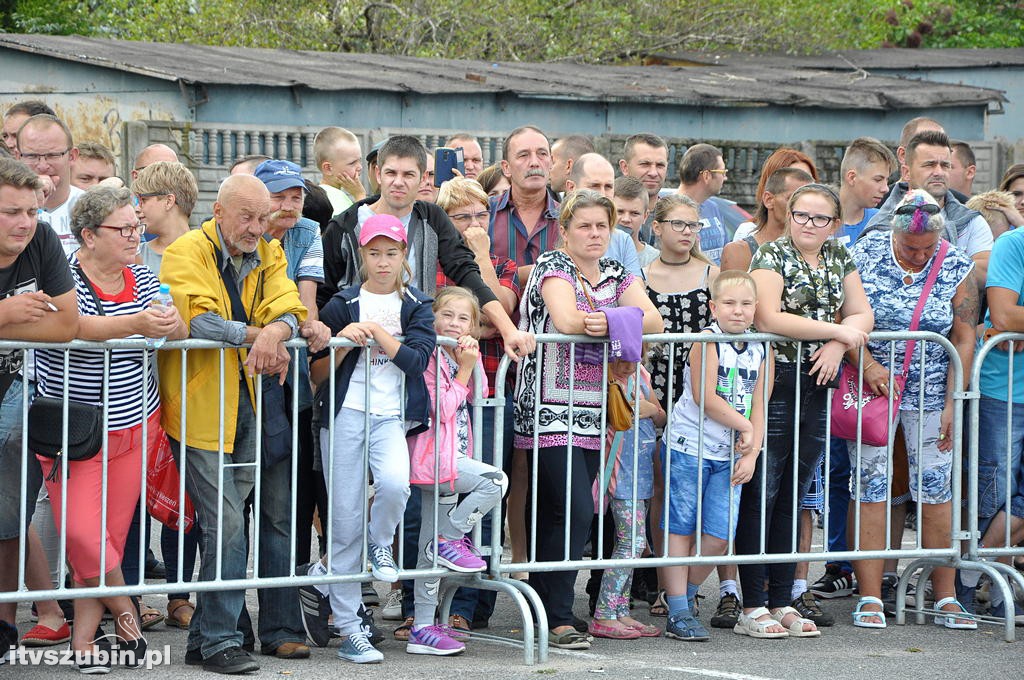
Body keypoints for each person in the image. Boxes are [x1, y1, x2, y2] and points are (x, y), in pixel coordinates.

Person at [158, 174, 310, 674]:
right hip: (202, 408)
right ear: (217, 211)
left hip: (249, 403)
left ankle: (205, 639)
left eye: (263, 217)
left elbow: (289, 304)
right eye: (246, 216)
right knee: (224, 524)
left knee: (229, 523)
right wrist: (259, 336)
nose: (257, 227)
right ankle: (222, 639)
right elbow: (197, 320)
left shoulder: (268, 251)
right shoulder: (185, 251)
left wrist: (278, 329)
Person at [34, 186, 186, 671]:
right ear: (88, 235)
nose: (134, 236)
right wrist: (136, 322)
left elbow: (177, 330)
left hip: (134, 426)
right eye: (123, 229)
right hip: (71, 435)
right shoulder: (63, 277)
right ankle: (126, 613)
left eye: (137, 226)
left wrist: (171, 323)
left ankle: (83, 644)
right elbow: (73, 327)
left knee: (108, 543)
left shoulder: (143, 276)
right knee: (83, 537)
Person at [513, 189, 662, 650]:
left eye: (603, 226)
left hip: (598, 411)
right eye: (585, 226)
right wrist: (617, 319)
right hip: (547, 407)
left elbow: (652, 319)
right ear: (566, 229)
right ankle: (558, 615)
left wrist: (606, 318)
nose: (595, 234)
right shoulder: (551, 267)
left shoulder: (617, 271)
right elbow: (564, 316)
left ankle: (543, 606)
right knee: (572, 508)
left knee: (563, 511)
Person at [741, 183, 873, 639]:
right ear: (788, 214)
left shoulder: (839, 256)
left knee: (792, 495)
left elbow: (863, 314)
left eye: (820, 218)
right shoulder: (771, 256)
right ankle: (751, 602)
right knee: (764, 490)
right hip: (775, 381)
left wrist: (838, 344)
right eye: (801, 215)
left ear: (835, 224)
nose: (809, 225)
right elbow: (769, 318)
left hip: (819, 380)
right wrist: (837, 329)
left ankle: (781, 598)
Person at [846, 189, 978, 629]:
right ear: (894, 237)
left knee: (937, 487)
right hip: (874, 387)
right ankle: (868, 596)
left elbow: (963, 336)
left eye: (927, 249)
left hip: (933, 388)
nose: (919, 257)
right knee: (872, 484)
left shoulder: (956, 262)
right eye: (909, 249)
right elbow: (846, 320)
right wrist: (868, 364)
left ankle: (944, 596)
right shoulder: (865, 254)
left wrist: (953, 400)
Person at [310, 213, 435, 664]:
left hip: (391, 417)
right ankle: (348, 626)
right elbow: (317, 373)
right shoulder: (342, 303)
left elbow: (418, 360)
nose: (383, 262)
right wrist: (341, 341)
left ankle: (378, 541)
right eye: (374, 253)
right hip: (344, 416)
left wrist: (379, 333)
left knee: (396, 484)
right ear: (360, 255)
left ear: (405, 255)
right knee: (342, 524)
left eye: (392, 253)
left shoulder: (418, 304)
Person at [319, 135, 532, 361]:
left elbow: (466, 272)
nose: (398, 182)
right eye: (391, 173)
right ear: (378, 174)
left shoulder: (432, 218)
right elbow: (323, 295)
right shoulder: (344, 226)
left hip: (415, 355)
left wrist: (508, 329)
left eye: (408, 174)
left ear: (423, 180)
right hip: (357, 355)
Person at [660, 271, 770, 641]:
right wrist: (747, 427)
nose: (737, 311)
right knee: (680, 528)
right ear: (713, 307)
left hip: (731, 455)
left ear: (756, 308)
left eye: (745, 304)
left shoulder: (761, 347)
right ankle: (678, 609)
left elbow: (760, 405)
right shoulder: (706, 343)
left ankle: (685, 594)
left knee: (719, 536)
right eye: (729, 303)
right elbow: (705, 396)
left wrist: (752, 451)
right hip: (690, 447)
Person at [434, 177, 519, 632]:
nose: (472, 224)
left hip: (486, 399)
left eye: (480, 216)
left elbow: (500, 307)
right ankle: (422, 602)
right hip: (436, 396)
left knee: (485, 491)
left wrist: (481, 256)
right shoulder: (432, 265)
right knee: (431, 491)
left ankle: (469, 604)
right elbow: (431, 319)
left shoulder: (500, 263)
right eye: (462, 217)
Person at [0, 157, 78, 658]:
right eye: (10, 212)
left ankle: (4, 624)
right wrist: (4, 313)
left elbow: (66, 324)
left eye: (31, 210)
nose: (25, 222)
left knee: (8, 515)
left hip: (11, 393)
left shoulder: (43, 241)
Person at [406, 287, 508, 655]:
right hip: (434, 457)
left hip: (454, 453)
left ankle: (422, 626)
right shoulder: (430, 355)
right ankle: (449, 539)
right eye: (447, 315)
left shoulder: (458, 353)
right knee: (496, 481)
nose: (454, 323)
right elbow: (441, 409)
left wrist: (470, 358)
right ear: (433, 317)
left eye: (464, 318)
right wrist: (463, 367)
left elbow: (478, 391)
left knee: (427, 553)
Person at [588, 357, 664, 640]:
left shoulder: (641, 373)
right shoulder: (602, 377)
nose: (627, 366)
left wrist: (650, 410)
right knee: (631, 542)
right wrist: (635, 408)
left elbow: (661, 415)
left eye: (633, 359)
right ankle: (605, 613)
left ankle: (620, 609)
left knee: (634, 543)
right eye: (620, 360)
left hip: (641, 471)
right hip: (620, 473)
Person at [973, 202, 1024, 622]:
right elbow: (1005, 314)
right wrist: (1011, 325)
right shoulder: (1013, 242)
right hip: (1003, 390)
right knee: (994, 491)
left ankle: (981, 575)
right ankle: (974, 585)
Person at [866, 130, 992, 285]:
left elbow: (985, 273)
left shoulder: (971, 222)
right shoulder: (881, 226)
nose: (939, 172)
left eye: (945, 165)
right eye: (929, 165)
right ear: (906, 172)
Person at [489, 125, 560, 286]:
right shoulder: (483, 214)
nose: (534, 162)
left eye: (542, 154)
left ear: (551, 162)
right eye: (523, 155)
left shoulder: (570, 219)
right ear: (506, 167)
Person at [720, 168, 812, 273]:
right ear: (769, 200)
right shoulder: (739, 252)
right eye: (793, 199)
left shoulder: (818, 252)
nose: (803, 208)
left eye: (810, 202)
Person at [564, 153, 642, 277]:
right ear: (571, 187)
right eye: (594, 186)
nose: (602, 194)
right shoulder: (552, 228)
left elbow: (637, 288)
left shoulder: (622, 240)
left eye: (608, 187)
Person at [16, 114, 83, 256]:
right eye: (32, 156)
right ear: (17, 156)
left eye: (52, 155)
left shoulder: (92, 207)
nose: (42, 165)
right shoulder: (4, 209)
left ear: (72, 156)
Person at [731, 148, 819, 243]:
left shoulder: (822, 232)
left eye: (808, 178)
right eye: (794, 176)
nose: (803, 184)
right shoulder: (748, 234)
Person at [133, 161, 197, 273]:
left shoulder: (207, 254)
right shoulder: (134, 255)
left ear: (168, 201)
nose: (137, 208)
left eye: (143, 200)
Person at [674, 144, 728, 265]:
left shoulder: (713, 207)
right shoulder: (669, 210)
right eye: (723, 172)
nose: (725, 178)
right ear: (706, 175)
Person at [618, 133, 669, 245]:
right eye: (645, 164)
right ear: (625, 167)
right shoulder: (604, 215)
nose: (653, 173)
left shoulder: (676, 219)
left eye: (660, 165)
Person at [314, 127, 365, 214]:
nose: (360, 167)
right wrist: (360, 195)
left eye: (359, 160)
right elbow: (359, 224)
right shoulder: (334, 199)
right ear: (328, 168)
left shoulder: (324, 194)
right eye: (352, 163)